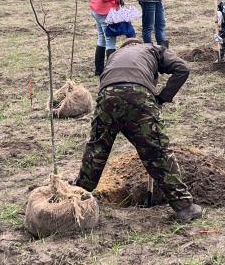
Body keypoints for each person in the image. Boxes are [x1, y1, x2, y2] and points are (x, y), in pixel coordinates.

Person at [72, 38, 202, 222]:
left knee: (97, 146)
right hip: (139, 95)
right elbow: (182, 69)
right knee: (157, 151)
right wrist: (162, 98)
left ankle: (78, 195)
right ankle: (184, 207)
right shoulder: (153, 49)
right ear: (139, 45)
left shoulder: (114, 55)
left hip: (107, 95)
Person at [88, 0, 132, 76]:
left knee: (101, 38)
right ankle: (111, 72)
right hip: (105, 12)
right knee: (110, 41)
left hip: (96, 10)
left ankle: (99, 69)